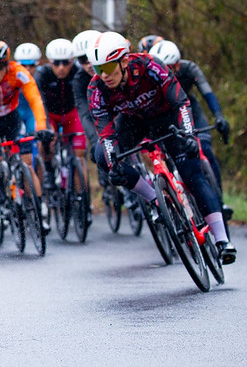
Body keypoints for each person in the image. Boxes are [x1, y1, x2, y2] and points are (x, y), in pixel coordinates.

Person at [87, 31, 236, 264]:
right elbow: (105, 133)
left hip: (168, 117)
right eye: (98, 69)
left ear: (124, 61)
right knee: (101, 156)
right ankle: (155, 200)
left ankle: (222, 240)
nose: (103, 75)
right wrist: (112, 161)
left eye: (107, 67)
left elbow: (181, 101)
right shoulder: (96, 88)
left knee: (192, 175)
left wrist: (188, 134)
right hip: (134, 123)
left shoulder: (149, 65)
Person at [0, 40, 53, 232]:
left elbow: (35, 100)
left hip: (12, 120)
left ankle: (39, 209)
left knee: (27, 163)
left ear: (7, 64)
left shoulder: (18, 72)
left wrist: (41, 127)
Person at [148, 40, 230, 203]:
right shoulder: (151, 77)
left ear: (177, 65)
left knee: (204, 147)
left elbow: (207, 93)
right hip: (167, 117)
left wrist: (218, 115)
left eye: (169, 68)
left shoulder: (189, 68)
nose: (164, 72)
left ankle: (220, 200)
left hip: (192, 112)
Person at [35, 38, 87, 178]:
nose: (61, 67)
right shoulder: (42, 75)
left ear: (72, 61)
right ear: (49, 61)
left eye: (66, 62)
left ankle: (82, 190)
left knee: (80, 154)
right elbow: (40, 103)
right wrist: (46, 127)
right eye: (56, 63)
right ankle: (49, 172)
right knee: (45, 140)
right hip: (50, 114)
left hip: (71, 114)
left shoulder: (77, 72)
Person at [12, 43, 41, 137]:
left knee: (37, 136)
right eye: (23, 66)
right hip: (16, 112)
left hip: (32, 113)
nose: (27, 69)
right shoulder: (11, 77)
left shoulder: (41, 75)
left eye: (31, 65)